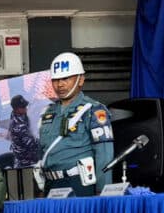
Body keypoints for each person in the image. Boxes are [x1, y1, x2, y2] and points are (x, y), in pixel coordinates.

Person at [38, 52, 114, 196]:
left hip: (79, 183)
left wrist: (102, 192)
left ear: (80, 80)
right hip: (50, 184)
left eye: (66, 78)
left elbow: (104, 156)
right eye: (56, 79)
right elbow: (42, 153)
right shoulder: (48, 112)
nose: (60, 84)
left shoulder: (93, 110)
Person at [8, 94, 39, 168]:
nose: (26, 108)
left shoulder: (16, 114)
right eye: (23, 107)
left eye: (25, 106)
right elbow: (32, 144)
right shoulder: (19, 126)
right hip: (26, 161)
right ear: (16, 109)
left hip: (24, 156)